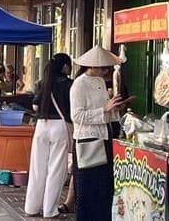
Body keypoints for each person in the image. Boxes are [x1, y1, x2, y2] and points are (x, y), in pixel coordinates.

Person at [70, 45, 130, 220]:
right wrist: (104, 109)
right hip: (88, 139)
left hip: (105, 137)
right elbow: (76, 115)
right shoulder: (79, 84)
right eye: (103, 67)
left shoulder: (101, 82)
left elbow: (107, 112)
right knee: (88, 190)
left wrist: (115, 108)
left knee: (104, 189)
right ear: (92, 66)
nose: (105, 71)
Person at [24, 53, 73, 218]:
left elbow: (35, 106)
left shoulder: (44, 82)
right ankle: (50, 210)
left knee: (37, 168)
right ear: (64, 66)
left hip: (42, 125)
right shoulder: (68, 84)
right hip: (59, 126)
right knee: (56, 169)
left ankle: (31, 207)